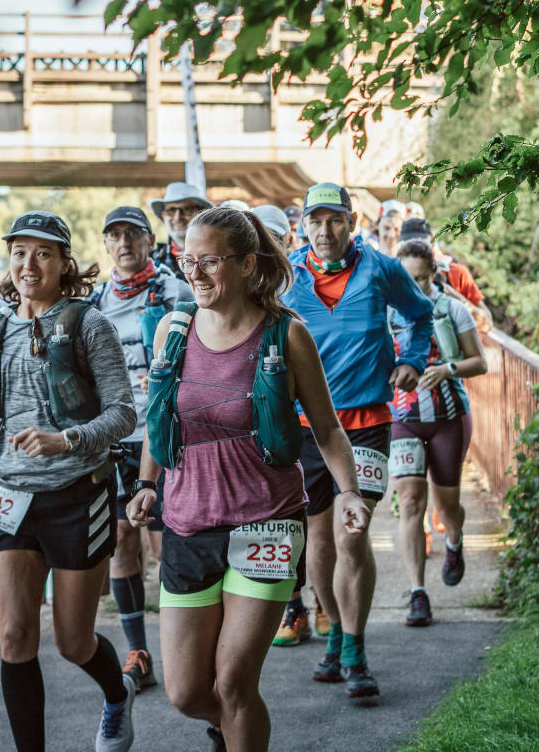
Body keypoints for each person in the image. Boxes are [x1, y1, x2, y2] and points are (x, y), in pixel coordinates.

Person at [125, 206, 370, 752]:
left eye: (209, 262)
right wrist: (146, 484)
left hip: (267, 522)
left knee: (235, 682)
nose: (195, 273)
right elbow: (159, 419)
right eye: (188, 261)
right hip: (188, 523)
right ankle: (231, 728)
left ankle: (238, 728)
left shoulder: (286, 335)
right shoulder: (172, 330)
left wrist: (350, 492)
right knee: (187, 693)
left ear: (246, 264)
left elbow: (327, 428)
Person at [0, 211, 138, 752]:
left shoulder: (89, 325)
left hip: (79, 495)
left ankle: (116, 693)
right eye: (19, 252)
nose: (29, 264)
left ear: (63, 263)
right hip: (11, 498)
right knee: (15, 635)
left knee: (73, 641)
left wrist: (66, 440)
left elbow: (123, 414)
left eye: (43, 253)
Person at [272, 182, 433, 700]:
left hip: (365, 422)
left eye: (335, 220)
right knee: (317, 543)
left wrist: (411, 360)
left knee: (351, 534)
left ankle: (356, 652)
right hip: (304, 427)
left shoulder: (381, 269)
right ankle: (337, 633)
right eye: (315, 221)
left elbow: (421, 314)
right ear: (303, 226)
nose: (325, 231)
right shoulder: (286, 277)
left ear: (352, 223)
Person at [90, 205, 192, 692]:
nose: (125, 243)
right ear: (106, 245)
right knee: (121, 541)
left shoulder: (175, 291)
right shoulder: (94, 301)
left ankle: (183, 649)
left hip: (163, 435)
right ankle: (139, 652)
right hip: (114, 439)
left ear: (151, 241)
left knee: (165, 543)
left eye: (133, 234)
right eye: (115, 235)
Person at [388, 240, 488, 627]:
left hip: (449, 416)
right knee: (411, 500)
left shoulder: (451, 309)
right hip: (402, 417)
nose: (412, 287)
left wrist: (447, 369)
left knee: (447, 507)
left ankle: (454, 539)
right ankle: (417, 592)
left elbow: (479, 362)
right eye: (405, 279)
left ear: (433, 274)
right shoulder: (384, 312)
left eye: (420, 279)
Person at [398, 218, 493, 332]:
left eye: (420, 242)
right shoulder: (394, 277)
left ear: (432, 241)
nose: (415, 250)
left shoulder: (456, 273)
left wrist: (456, 297)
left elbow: (486, 326)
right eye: (409, 245)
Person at [150, 182, 211, 275]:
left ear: (201, 214)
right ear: (163, 215)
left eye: (187, 209)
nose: (177, 217)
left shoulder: (217, 255)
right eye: (171, 210)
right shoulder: (153, 261)